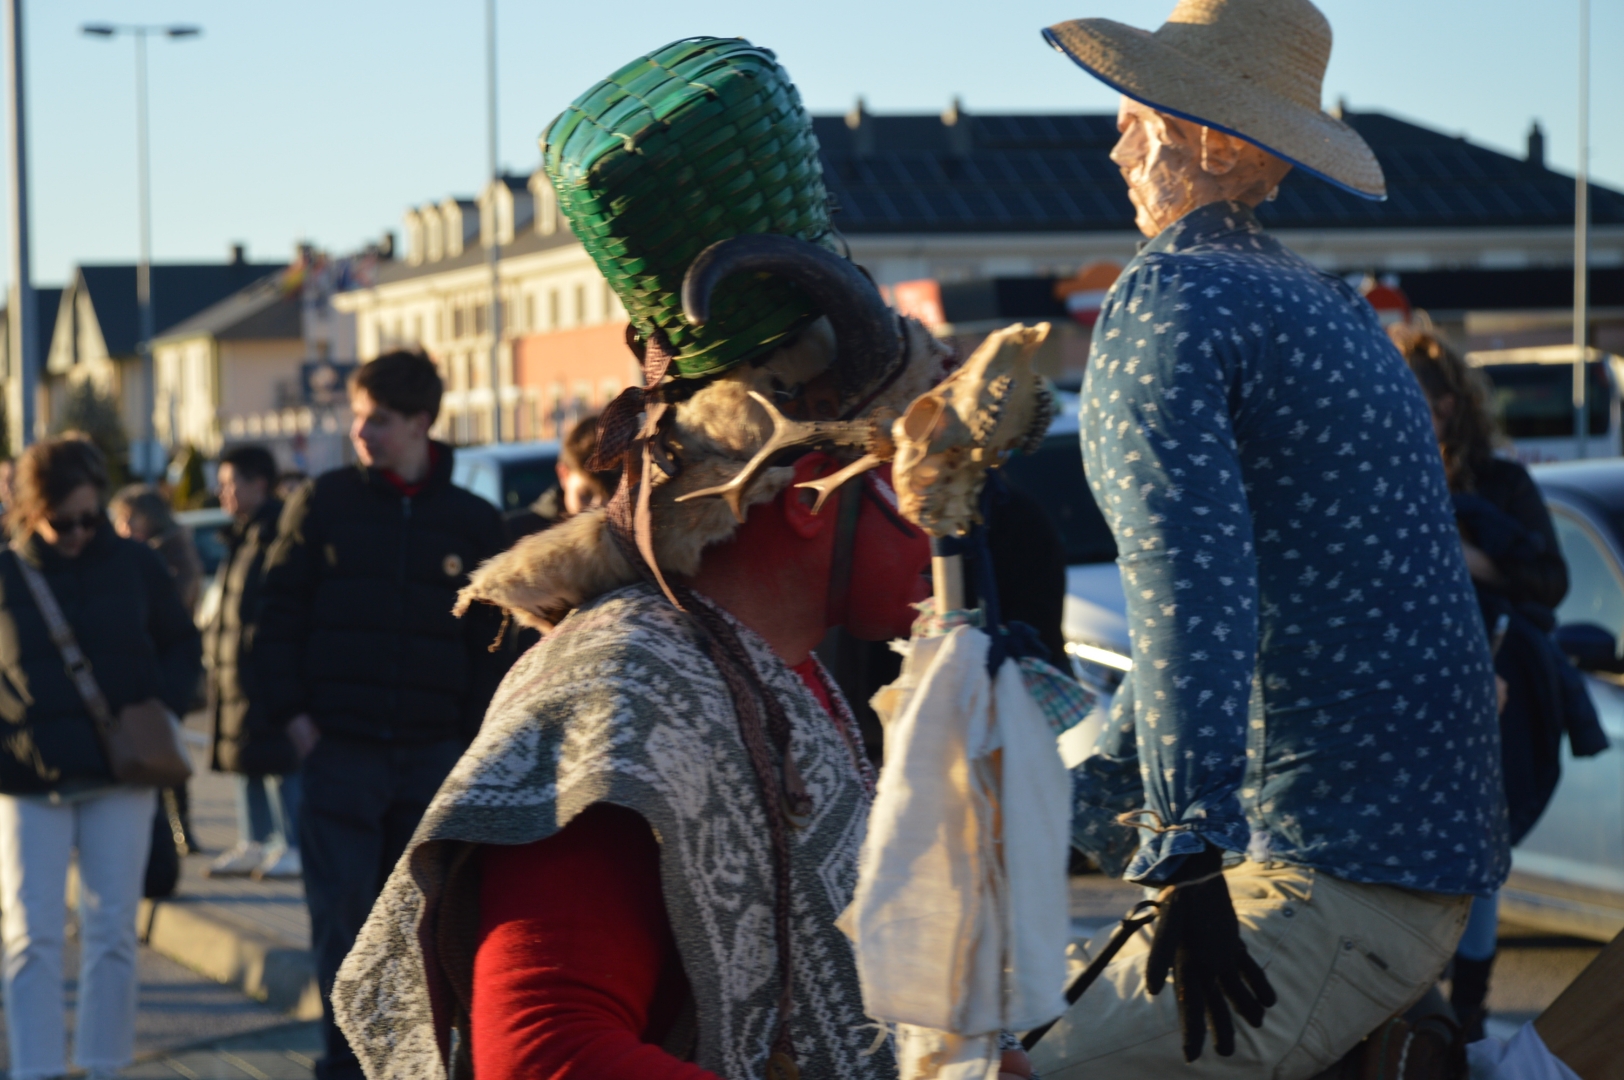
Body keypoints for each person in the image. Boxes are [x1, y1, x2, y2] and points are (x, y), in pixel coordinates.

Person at [329, 38, 1032, 1080]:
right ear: (803, 497)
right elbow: (544, 1057)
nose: (940, 524)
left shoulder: (782, 671)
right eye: (906, 472)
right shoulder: (621, 695)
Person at [1032, 1, 1509, 1075]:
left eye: (1135, 114)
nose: (1114, 141)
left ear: (1209, 139)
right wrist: (1079, 806)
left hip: (1321, 874)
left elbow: (1184, 592)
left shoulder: (1170, 300)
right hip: (1423, 866)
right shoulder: (1330, 306)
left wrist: (1185, 849)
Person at [254, 349, 511, 1080]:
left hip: (433, 759)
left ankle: (419, 1065)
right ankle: (344, 1066)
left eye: (379, 419)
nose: (361, 432)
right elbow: (274, 615)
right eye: (359, 416)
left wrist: (471, 743)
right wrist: (296, 718)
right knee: (342, 922)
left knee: (426, 929)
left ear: (422, 422)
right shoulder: (325, 501)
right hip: (339, 754)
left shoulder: (473, 521)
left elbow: (492, 647)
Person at [1391, 325, 1607, 1040]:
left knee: (1481, 848)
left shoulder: (1499, 485)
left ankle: (1470, 1017)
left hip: (1495, 680)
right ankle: (1410, 1009)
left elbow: (1549, 580)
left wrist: (1471, 561)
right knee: (1413, 855)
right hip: (1408, 684)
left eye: (1417, 401)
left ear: (1450, 406)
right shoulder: (1379, 474)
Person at [0, 437, 201, 1080]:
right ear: (32, 511)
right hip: (28, 777)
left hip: (124, 773)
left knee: (112, 929)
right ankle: (35, 1070)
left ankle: (103, 1065)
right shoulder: (7, 574)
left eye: (91, 518)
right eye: (65, 521)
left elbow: (181, 644)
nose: (80, 533)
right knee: (31, 936)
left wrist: (158, 707)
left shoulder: (136, 565)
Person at [203, 445, 303, 880]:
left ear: (259, 483)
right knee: (247, 757)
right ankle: (255, 839)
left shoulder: (279, 534)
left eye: (230, 483)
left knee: (280, 760)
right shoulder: (242, 534)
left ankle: (292, 841)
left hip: (268, 670)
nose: (222, 493)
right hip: (237, 671)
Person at [505, 413, 619, 541]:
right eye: (586, 494)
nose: (598, 508)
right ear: (563, 474)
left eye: (612, 496)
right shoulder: (513, 534)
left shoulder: (633, 542)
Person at [110, 484, 204, 613]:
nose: (126, 525)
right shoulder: (121, 554)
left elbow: (178, 599)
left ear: (153, 518)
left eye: (133, 517)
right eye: (122, 518)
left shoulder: (175, 550)